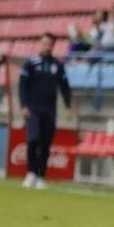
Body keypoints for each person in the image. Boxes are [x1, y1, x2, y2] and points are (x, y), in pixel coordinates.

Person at [19, 33, 73, 189]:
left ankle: (41, 176)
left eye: (49, 44)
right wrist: (23, 105)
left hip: (50, 110)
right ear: (39, 44)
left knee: (45, 143)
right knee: (33, 139)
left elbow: (64, 86)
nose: (46, 46)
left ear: (53, 46)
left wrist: (68, 106)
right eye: (44, 43)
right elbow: (22, 85)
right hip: (33, 109)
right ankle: (31, 173)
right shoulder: (31, 63)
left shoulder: (57, 65)